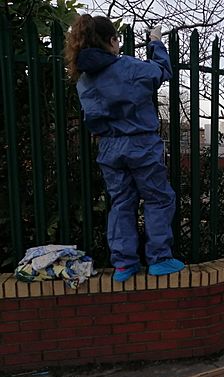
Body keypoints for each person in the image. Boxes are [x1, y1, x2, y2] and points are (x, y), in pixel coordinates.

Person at [65, 15, 185, 281]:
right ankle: (159, 259)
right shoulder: (127, 67)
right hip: (140, 143)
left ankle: (123, 264)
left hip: (108, 147)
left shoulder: (84, 79)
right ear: (111, 41)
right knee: (158, 198)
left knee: (121, 202)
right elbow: (161, 71)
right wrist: (155, 43)